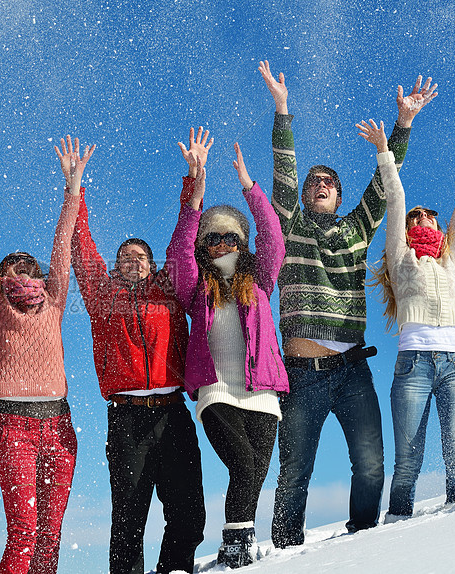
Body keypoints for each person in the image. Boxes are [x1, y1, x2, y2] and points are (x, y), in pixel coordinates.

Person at [258, 59, 438, 547]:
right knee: (295, 470)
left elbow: (384, 188)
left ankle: (361, 546)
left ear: (338, 196)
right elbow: (283, 173)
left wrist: (402, 125)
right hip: (302, 372)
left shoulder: (357, 229)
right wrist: (282, 110)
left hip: (352, 369)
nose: (320, 185)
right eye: (314, 181)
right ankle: (286, 550)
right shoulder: (291, 226)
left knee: (372, 463)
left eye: (329, 182)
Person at [70, 131, 205, 574]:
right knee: (128, 517)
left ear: (152, 265)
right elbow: (80, 246)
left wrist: (193, 180)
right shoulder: (103, 296)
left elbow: (183, 242)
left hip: (172, 414)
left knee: (188, 510)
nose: (132, 261)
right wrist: (75, 189)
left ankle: (173, 570)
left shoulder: (169, 290)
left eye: (140, 257)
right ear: (115, 266)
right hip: (126, 418)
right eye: (124, 257)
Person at [359, 119, 455, 519]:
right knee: (408, 460)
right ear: (406, 229)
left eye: (429, 215)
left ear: (438, 227)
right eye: (416, 215)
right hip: (414, 366)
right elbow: (395, 199)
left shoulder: (449, 260)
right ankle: (397, 523)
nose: (422, 217)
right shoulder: (400, 257)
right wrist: (383, 152)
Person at [0, 136, 93, 574]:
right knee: (24, 529)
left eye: (28, 268)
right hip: (14, 425)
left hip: (59, 423)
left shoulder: (54, 300)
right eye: (11, 269)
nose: (20, 274)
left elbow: (63, 241)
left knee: (51, 534)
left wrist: (72, 189)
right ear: (1, 278)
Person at [167, 132, 288, 568]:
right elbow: (178, 253)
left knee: (253, 471)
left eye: (231, 236)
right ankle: (236, 548)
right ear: (204, 245)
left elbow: (274, 239)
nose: (222, 243)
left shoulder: (260, 283)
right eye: (213, 237)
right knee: (242, 461)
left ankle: (236, 547)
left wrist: (248, 187)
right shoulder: (196, 287)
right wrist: (195, 200)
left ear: (241, 241)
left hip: (263, 392)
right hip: (215, 390)